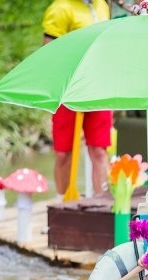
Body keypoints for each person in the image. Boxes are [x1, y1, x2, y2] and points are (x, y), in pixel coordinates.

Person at [42, 0, 113, 201]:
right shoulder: (60, 8)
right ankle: (61, 202)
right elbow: (49, 53)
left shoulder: (102, 5)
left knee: (99, 150)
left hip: (98, 89)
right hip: (68, 90)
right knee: (64, 152)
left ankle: (101, 203)